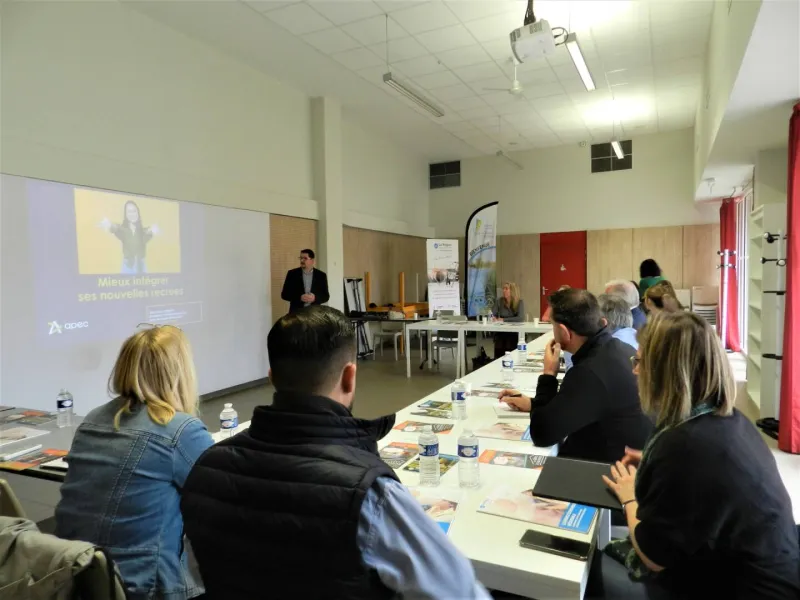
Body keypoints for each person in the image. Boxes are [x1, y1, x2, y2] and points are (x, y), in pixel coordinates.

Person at [180, 306, 491, 600]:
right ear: (349, 376)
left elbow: (199, 572)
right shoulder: (371, 496)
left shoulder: (207, 469)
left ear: (272, 377)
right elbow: (459, 591)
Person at [597, 312, 800, 600]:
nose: (635, 371)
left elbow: (654, 556)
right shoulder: (729, 420)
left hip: (742, 589)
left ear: (664, 372)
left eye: (639, 361)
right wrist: (658, 466)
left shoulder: (684, 447)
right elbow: (702, 480)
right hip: (773, 572)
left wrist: (629, 497)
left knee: (589, 572)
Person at [55, 325, 213, 600]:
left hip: (73, 576)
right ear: (180, 373)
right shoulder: (180, 430)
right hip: (144, 586)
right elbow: (225, 493)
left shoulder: (92, 419)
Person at [499, 289, 652, 463]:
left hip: (603, 469)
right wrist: (533, 404)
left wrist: (548, 375)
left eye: (552, 325)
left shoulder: (589, 371)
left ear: (564, 332)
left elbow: (541, 433)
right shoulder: (619, 349)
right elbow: (584, 403)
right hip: (629, 459)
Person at [565, 293, 639, 370]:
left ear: (603, 321)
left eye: (590, 318)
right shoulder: (636, 336)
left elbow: (578, 373)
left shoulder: (607, 349)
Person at [100, 200, 159, 274]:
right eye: (129, 211)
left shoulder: (142, 231)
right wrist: (109, 225)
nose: (132, 214)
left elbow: (145, 237)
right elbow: (115, 228)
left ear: (138, 213)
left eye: (134, 211)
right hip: (127, 266)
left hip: (141, 266)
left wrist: (152, 231)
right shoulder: (123, 230)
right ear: (126, 214)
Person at [280, 248, 330, 313]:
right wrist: (299, 297)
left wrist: (315, 298)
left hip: (314, 313)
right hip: (296, 313)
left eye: (305, 258)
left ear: (312, 260)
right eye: (301, 258)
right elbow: (284, 294)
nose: (302, 260)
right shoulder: (292, 274)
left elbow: (326, 296)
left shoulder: (321, 275)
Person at [492, 281, 526, 359]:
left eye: (506, 289)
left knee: (510, 339)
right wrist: (493, 317)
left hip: (514, 331)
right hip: (501, 331)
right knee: (499, 338)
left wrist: (503, 320)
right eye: (503, 288)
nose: (504, 290)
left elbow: (520, 318)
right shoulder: (499, 301)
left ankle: (511, 359)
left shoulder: (519, 302)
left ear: (512, 291)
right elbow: (492, 313)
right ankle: (498, 360)